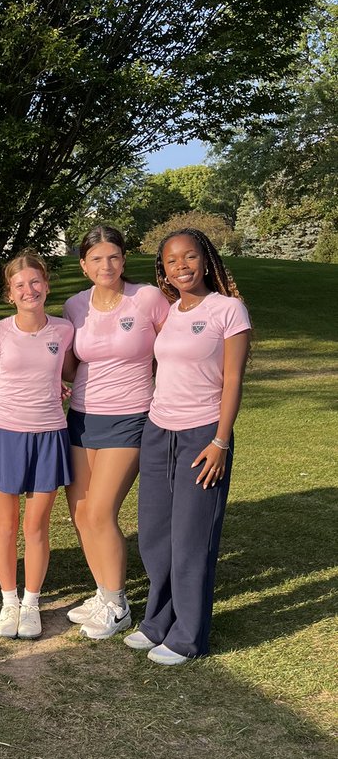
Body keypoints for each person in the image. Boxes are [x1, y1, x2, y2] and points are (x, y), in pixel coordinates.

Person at [126, 228, 251, 665]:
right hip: (159, 430)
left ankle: (188, 636)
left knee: (192, 538)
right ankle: (157, 621)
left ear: (207, 259)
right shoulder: (171, 311)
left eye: (190, 257)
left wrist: (220, 439)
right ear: (163, 268)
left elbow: (233, 380)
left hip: (203, 435)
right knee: (155, 535)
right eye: (172, 260)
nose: (182, 266)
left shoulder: (228, 310)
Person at [62, 225, 169, 639]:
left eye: (113, 257)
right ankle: (103, 593)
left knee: (101, 511)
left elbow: (169, 349)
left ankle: (119, 604)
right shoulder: (75, 306)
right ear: (84, 265)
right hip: (83, 418)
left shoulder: (147, 298)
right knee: (80, 513)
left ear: (124, 260)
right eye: (96, 259)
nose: (106, 266)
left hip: (131, 417)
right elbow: (72, 363)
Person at [0, 252, 74, 641]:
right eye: (20, 285)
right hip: (5, 434)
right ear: (10, 293)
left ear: (46, 285)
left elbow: (70, 374)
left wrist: (65, 387)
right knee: (6, 524)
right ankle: (9, 601)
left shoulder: (64, 331)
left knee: (36, 526)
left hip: (50, 434)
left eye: (35, 282)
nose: (29, 290)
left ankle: (31, 603)